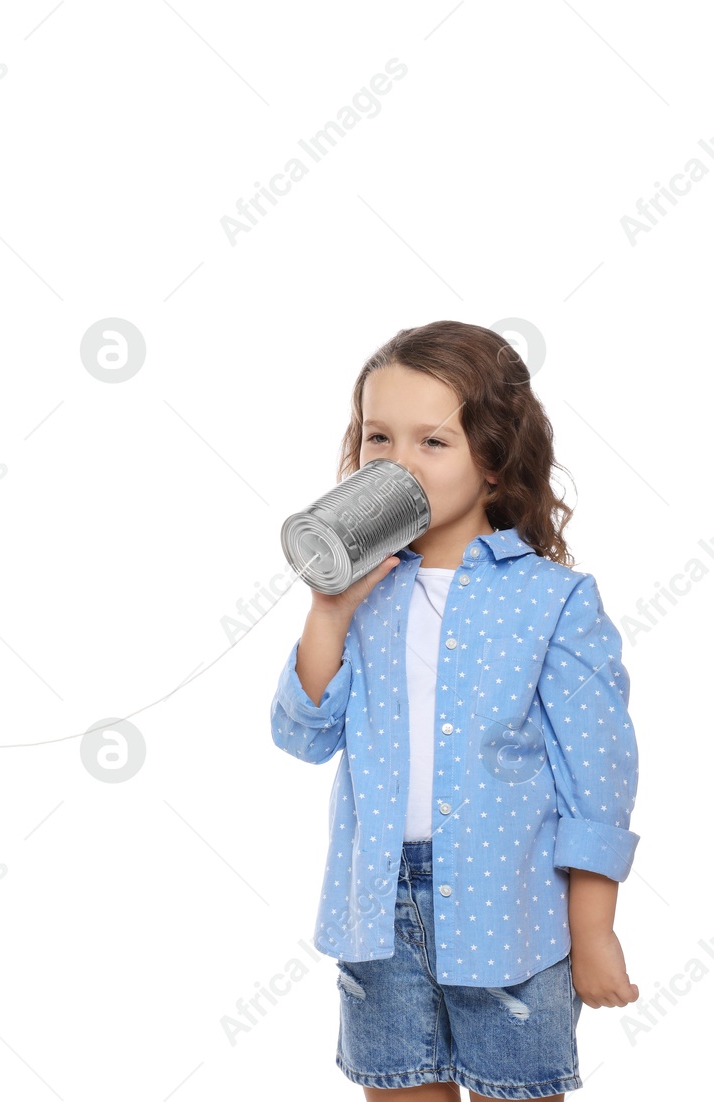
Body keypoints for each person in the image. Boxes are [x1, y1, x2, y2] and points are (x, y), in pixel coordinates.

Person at [269, 321, 641, 1101]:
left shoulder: (553, 600)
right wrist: (329, 612)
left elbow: (596, 781)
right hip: (378, 914)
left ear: (496, 465)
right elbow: (301, 735)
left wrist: (593, 928)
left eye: (431, 442)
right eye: (378, 437)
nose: (398, 462)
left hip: (513, 911)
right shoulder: (362, 597)